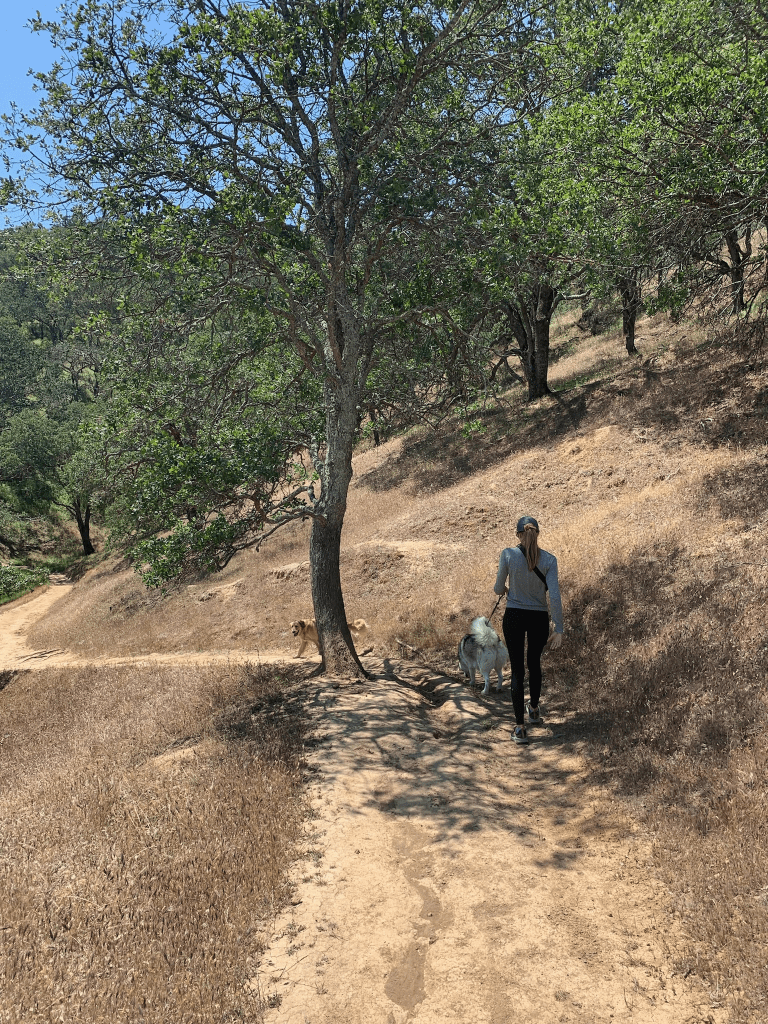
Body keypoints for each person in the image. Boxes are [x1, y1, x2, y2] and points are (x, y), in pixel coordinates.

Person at [494, 516, 563, 745]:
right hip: (539, 617)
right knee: (534, 664)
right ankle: (533, 709)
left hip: (514, 615)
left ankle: (520, 729)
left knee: (517, 670)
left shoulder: (508, 554)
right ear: (538, 534)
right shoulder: (550, 560)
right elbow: (553, 595)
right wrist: (559, 628)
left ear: (518, 535)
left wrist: (505, 589)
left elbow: (497, 588)